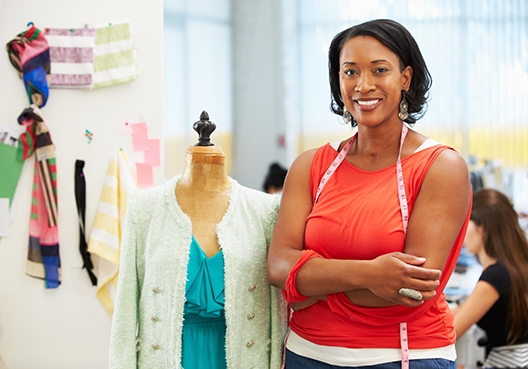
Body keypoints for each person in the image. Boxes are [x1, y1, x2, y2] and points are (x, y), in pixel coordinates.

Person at [267, 19, 472, 368]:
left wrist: (308, 288)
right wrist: (371, 274)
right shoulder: (310, 166)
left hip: (403, 356)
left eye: (379, 70)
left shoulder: (440, 167)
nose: (363, 85)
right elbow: (277, 266)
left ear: (405, 78)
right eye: (350, 72)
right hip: (307, 354)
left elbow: (411, 291)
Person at [109, 113, 286, 368]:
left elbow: (276, 314)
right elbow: (124, 313)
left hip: (243, 358)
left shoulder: (264, 211)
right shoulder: (144, 209)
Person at [453, 189, 528, 368]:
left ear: (482, 228)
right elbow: (467, 308)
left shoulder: (495, 276)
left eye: (466, 223)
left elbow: (453, 330)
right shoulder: (514, 265)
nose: (462, 232)